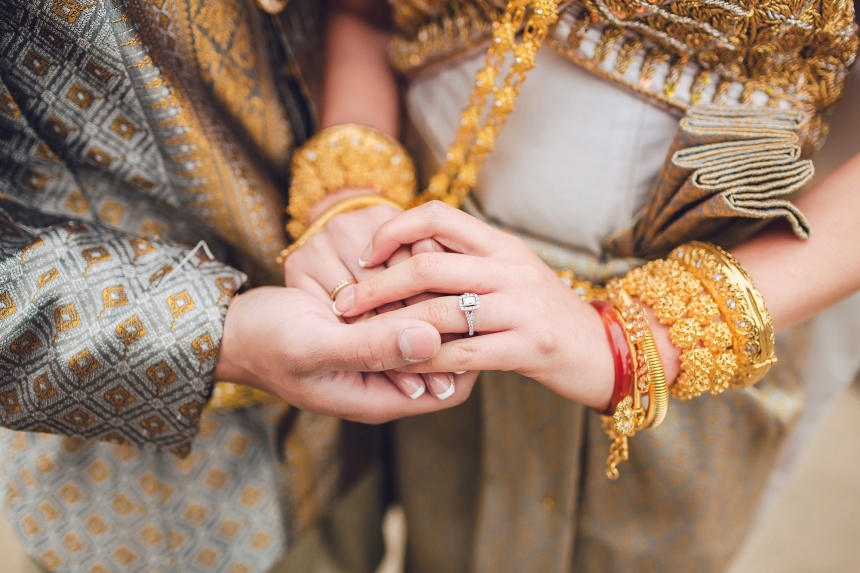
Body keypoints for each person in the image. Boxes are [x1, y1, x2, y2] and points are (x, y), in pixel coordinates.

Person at [285, 0, 860, 571]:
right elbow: (363, 12)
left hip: (686, 348)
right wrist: (351, 192)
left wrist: (636, 340)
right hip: (417, 295)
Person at [0, 1, 474, 571]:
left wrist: (349, 190)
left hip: (344, 451)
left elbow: (365, 12)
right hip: (140, 499)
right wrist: (222, 334)